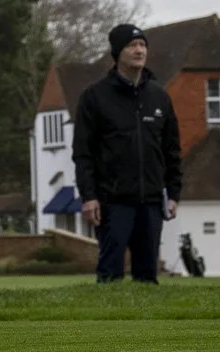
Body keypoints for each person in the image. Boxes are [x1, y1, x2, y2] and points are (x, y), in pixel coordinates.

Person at [73, 24, 182, 283]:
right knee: (111, 274)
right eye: (132, 46)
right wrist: (89, 196)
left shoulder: (159, 96)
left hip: (151, 201)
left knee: (147, 276)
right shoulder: (94, 97)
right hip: (113, 201)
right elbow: (83, 153)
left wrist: (173, 193)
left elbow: (172, 150)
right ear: (117, 52)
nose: (139, 50)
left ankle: (147, 311)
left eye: (142, 45)